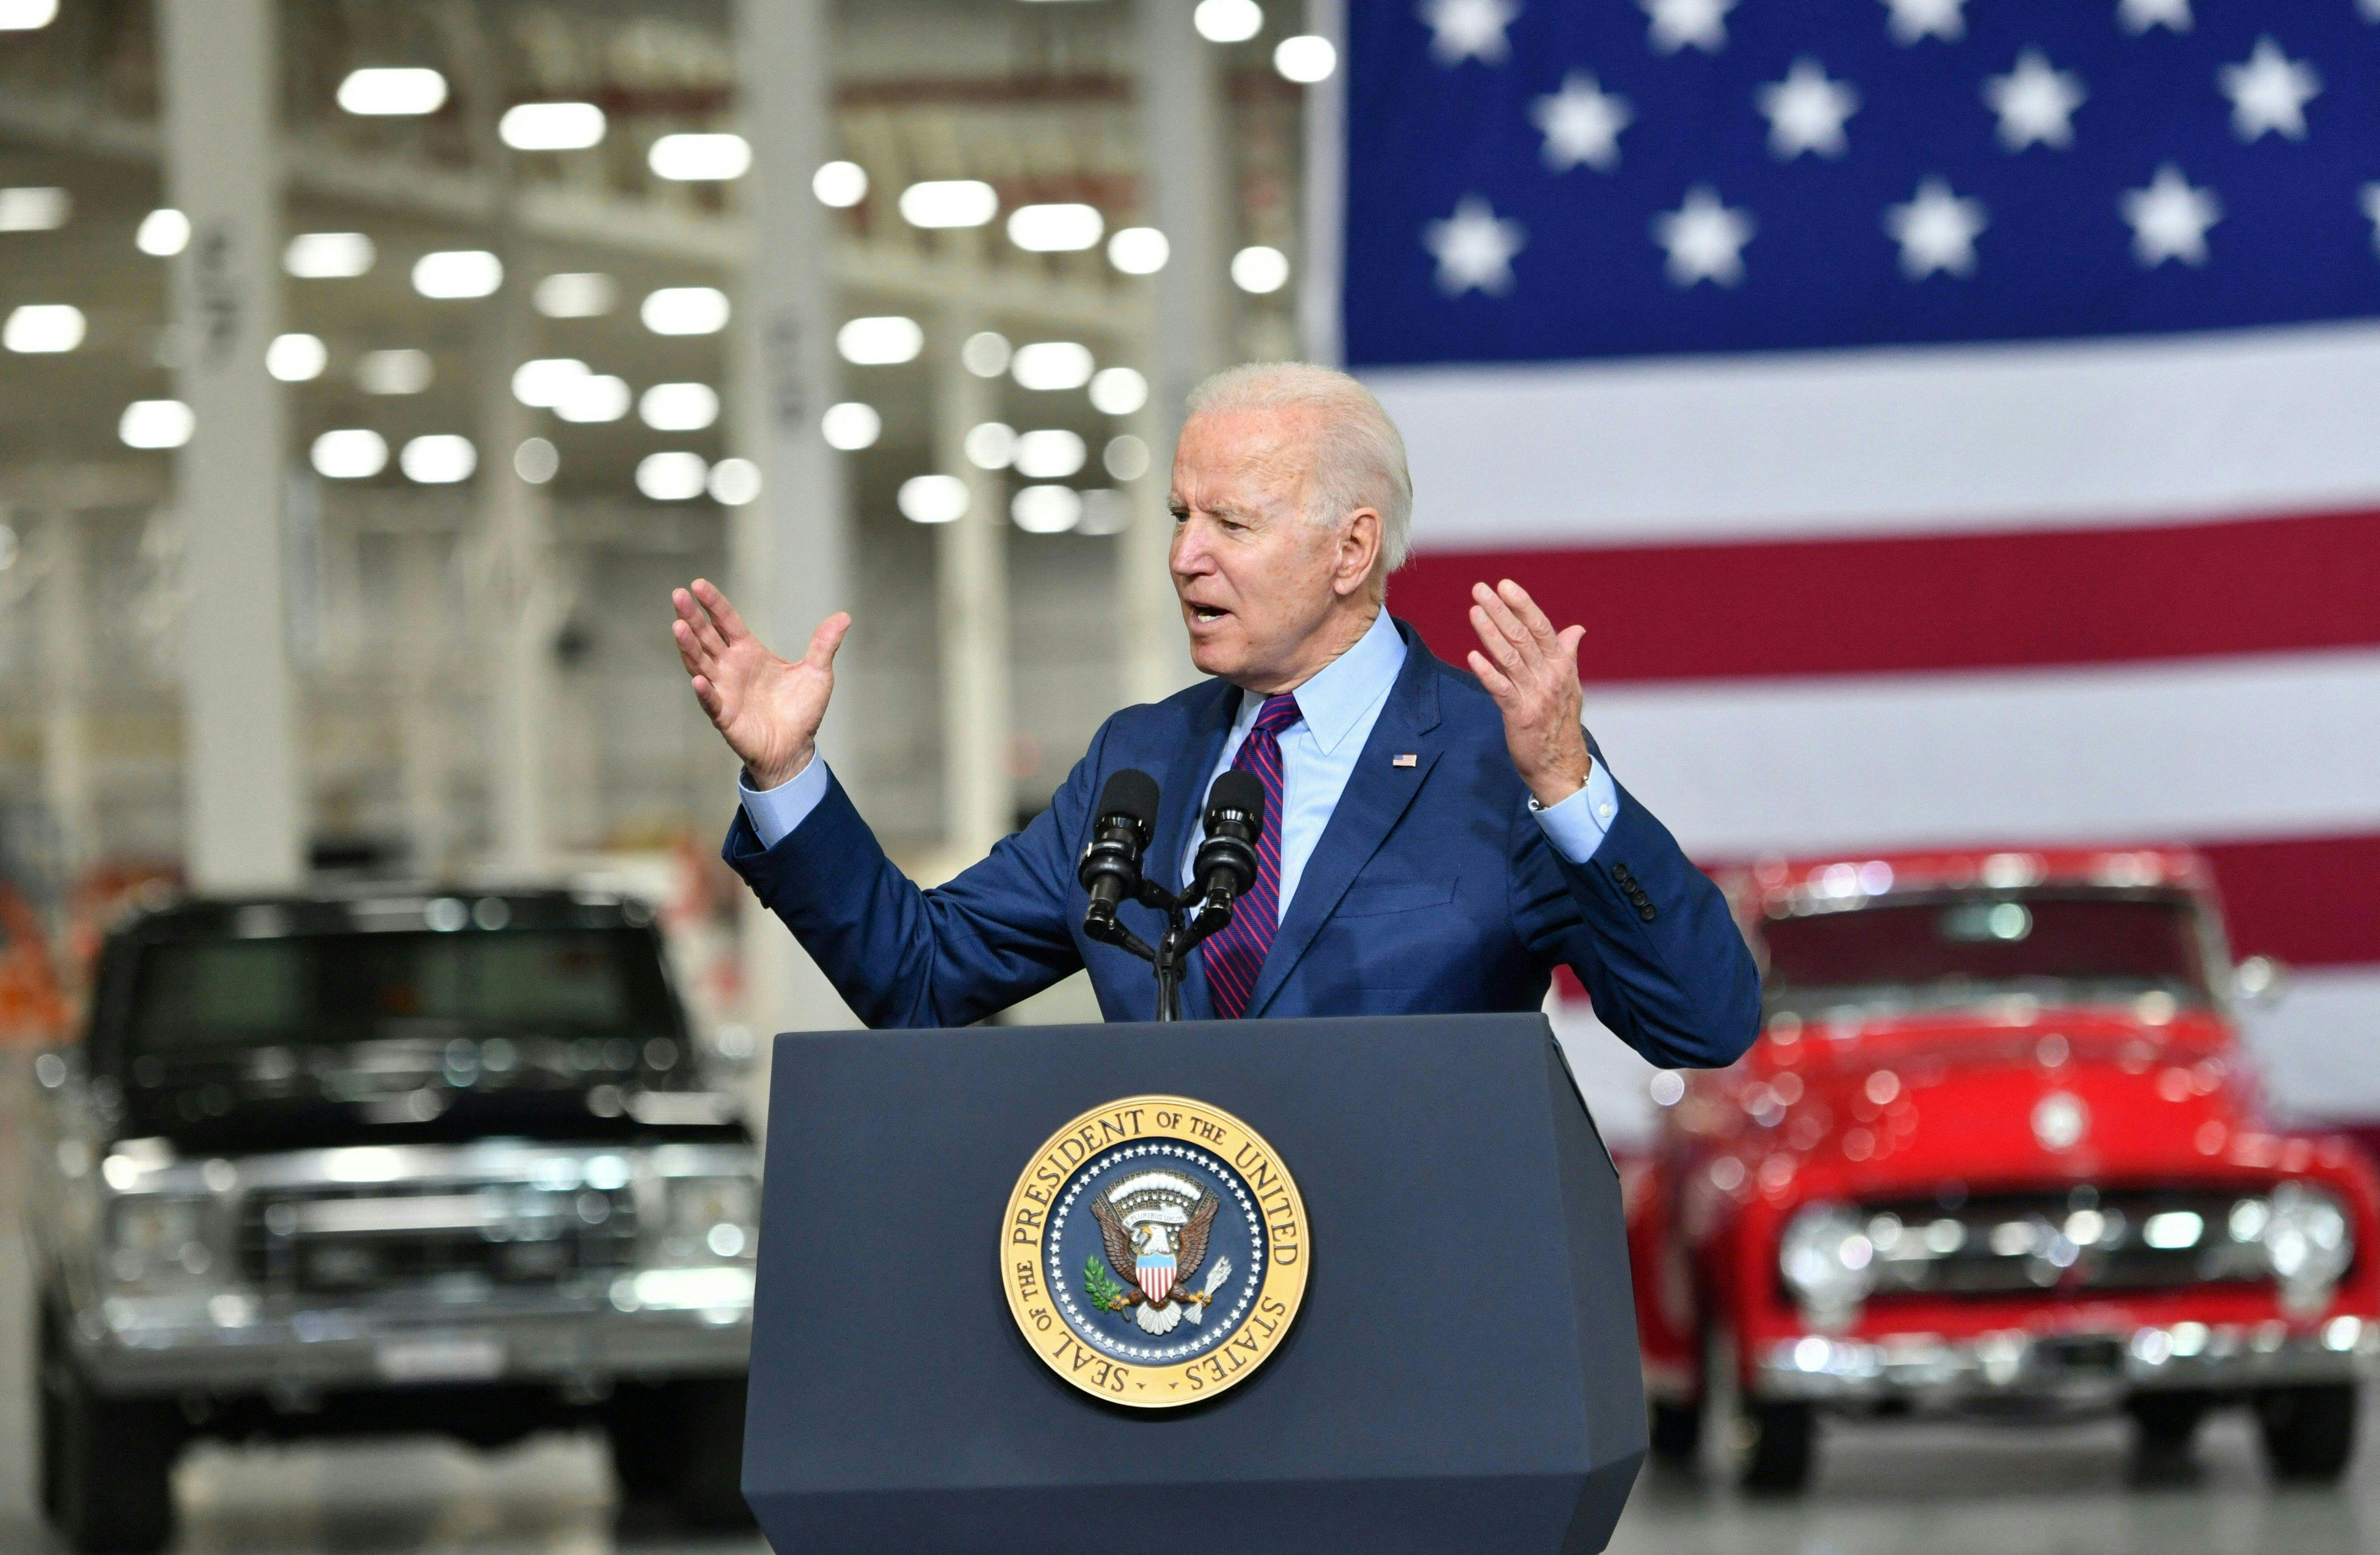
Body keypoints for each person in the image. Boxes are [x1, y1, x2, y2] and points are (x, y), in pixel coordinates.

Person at [672, 362, 1757, 1067]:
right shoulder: (1139, 761)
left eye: (1232, 522)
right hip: (1170, 1321)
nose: (1187, 554)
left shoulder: (1497, 762)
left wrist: (1570, 788)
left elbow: (1701, 1021)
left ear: (1351, 548)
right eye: (1182, 515)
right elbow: (918, 978)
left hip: (1419, 1341)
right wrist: (788, 776)